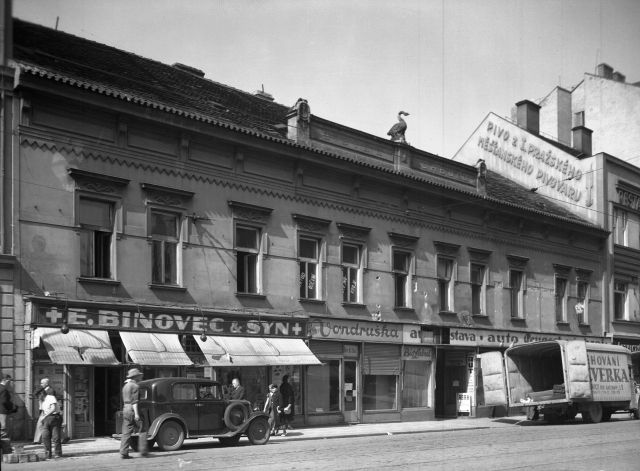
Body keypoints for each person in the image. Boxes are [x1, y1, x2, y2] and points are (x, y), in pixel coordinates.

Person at [119, 368, 148, 459]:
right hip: (132, 409)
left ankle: (124, 452)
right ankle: (143, 451)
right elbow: (135, 402)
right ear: (135, 377)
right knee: (142, 429)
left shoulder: (125, 386)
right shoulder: (135, 386)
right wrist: (137, 414)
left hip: (125, 409)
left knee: (126, 432)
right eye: (139, 376)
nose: (140, 377)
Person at [40, 388, 62, 459]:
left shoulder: (51, 397)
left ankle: (57, 453)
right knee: (45, 436)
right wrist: (42, 418)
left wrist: (45, 416)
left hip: (54, 417)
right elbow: (43, 411)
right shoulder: (42, 401)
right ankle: (48, 454)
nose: (38, 397)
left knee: (56, 437)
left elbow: (53, 408)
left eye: (38, 395)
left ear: (42, 394)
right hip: (46, 419)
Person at [0, 375, 18, 454]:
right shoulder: (4, 389)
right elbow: (4, 402)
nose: (10, 383)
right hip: (2, 412)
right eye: (10, 381)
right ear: (6, 380)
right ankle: (6, 450)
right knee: (3, 430)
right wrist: (12, 408)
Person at [33, 377, 54, 444]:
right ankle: (39, 440)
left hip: (48, 410)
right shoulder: (42, 390)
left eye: (42, 383)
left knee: (43, 424)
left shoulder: (51, 390)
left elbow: (50, 400)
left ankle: (40, 440)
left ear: (46, 383)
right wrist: (40, 388)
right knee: (41, 424)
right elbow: (35, 394)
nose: (40, 384)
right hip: (42, 409)